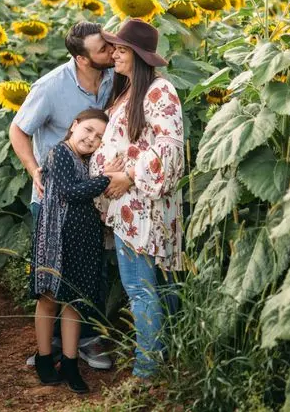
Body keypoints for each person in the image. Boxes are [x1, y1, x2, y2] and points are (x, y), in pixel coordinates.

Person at [9, 21, 115, 370]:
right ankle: (50, 346)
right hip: (55, 199)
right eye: (103, 49)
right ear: (82, 59)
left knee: (88, 269)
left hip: (95, 198)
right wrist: (34, 170)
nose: (111, 51)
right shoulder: (51, 87)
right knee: (53, 274)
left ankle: (83, 341)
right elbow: (18, 130)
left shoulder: (113, 78)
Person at [89, 19, 185, 379]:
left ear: (140, 57)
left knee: (141, 288)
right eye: (114, 47)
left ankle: (148, 369)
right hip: (128, 206)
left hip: (142, 207)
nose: (114, 53)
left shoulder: (159, 92)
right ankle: (167, 357)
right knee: (152, 285)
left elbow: (169, 154)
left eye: (122, 49)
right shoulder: (130, 90)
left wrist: (127, 174)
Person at [29, 109, 124, 393]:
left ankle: (70, 363)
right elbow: (70, 192)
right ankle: (45, 359)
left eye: (99, 137)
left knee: (74, 303)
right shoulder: (59, 153)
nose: (92, 138)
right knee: (49, 299)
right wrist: (108, 178)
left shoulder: (85, 161)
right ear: (74, 125)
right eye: (88, 130)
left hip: (81, 241)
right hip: (56, 241)